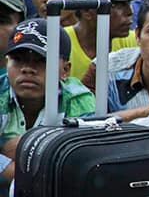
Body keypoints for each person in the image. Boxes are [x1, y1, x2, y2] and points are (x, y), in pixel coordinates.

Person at [0, 19, 95, 181]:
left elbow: (84, 159)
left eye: (41, 60)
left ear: (65, 70)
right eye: (18, 59)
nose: (27, 69)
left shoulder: (79, 99)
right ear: (7, 62)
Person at [65, 0, 145, 79]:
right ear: (87, 10)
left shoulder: (136, 42)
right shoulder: (59, 44)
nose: (130, 11)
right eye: (116, 5)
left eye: (128, 2)